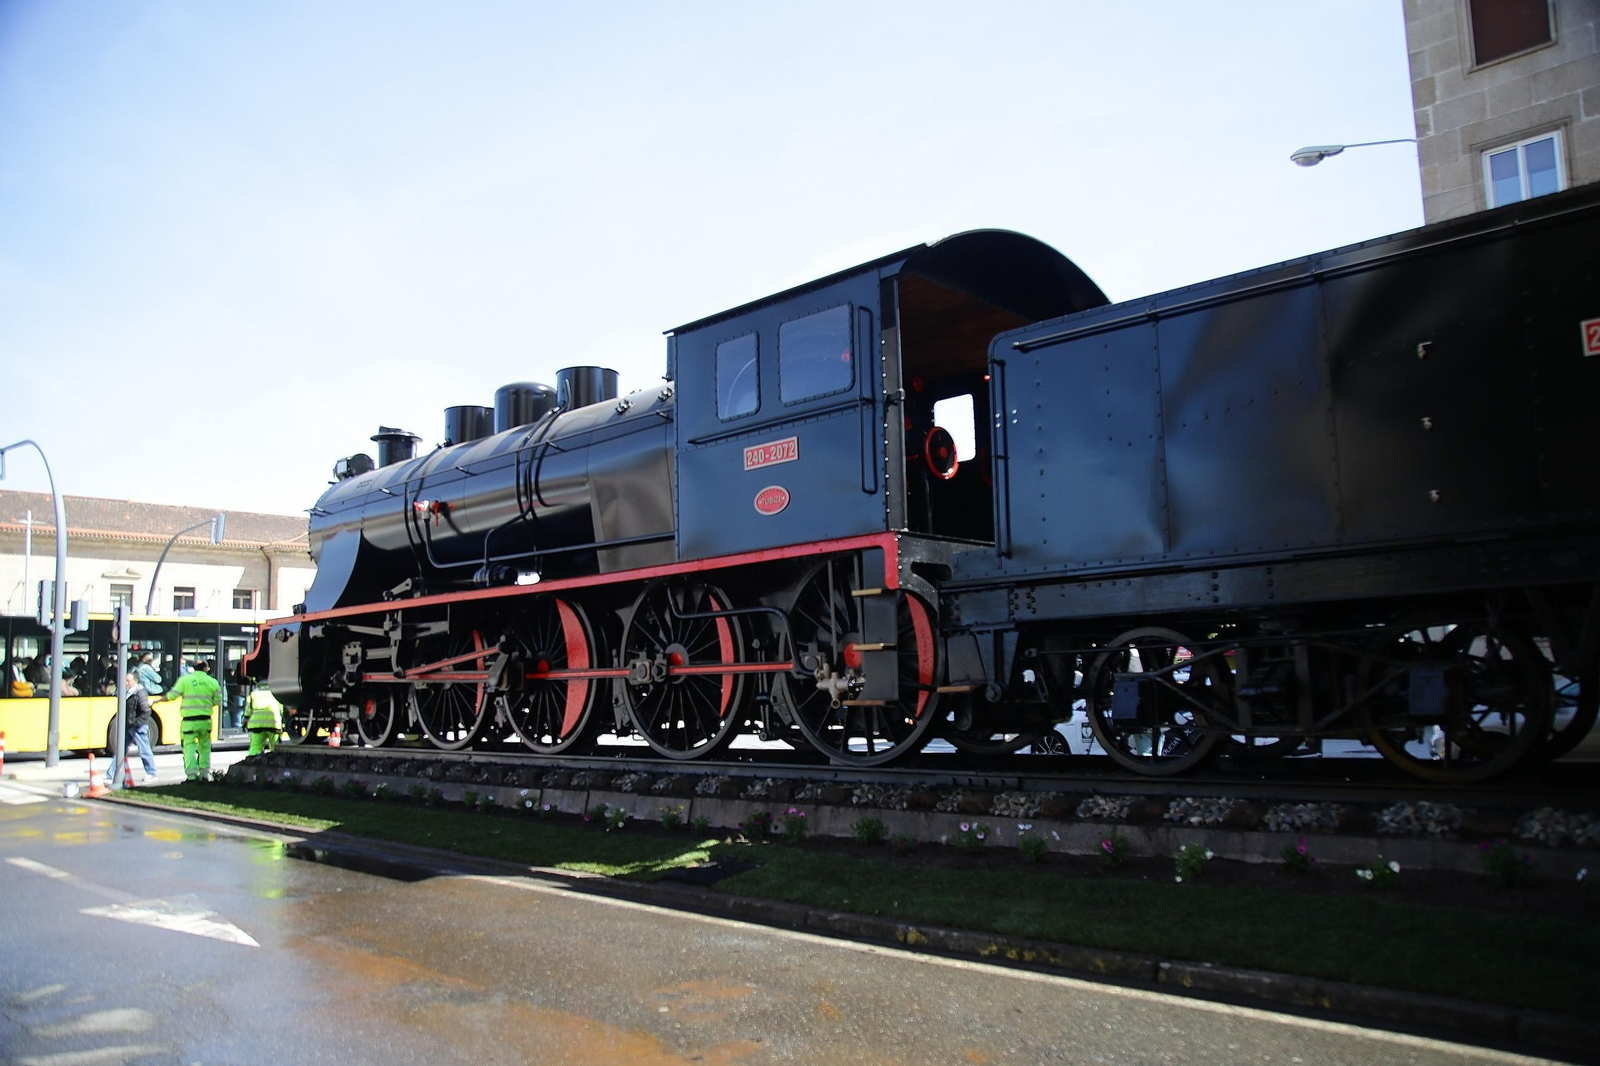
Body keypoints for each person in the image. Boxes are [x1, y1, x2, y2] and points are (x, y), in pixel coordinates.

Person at [166, 659, 221, 781]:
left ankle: (191, 775)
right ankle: (204, 773)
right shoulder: (213, 682)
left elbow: (171, 696)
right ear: (206, 668)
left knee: (189, 747)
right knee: (205, 747)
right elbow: (218, 701)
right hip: (205, 721)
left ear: (193, 668)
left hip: (189, 722)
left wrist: (158, 700)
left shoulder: (185, 680)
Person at [124, 670, 159, 782]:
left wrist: (136, 723)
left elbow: (146, 711)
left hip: (137, 727)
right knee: (121, 750)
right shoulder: (128, 692)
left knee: (144, 749)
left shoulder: (140, 692)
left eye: (128, 681)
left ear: (135, 681)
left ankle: (152, 773)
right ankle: (110, 774)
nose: (126, 683)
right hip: (131, 725)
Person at [244, 682, 284, 756]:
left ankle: (252, 762)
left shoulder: (253, 694)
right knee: (276, 748)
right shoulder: (276, 694)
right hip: (273, 724)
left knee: (255, 747)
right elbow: (281, 709)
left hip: (256, 725)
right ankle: (274, 762)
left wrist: (245, 721)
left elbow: (248, 711)